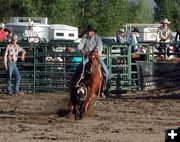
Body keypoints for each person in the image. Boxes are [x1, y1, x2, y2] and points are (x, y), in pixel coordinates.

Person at [73, 25, 109, 97]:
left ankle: (102, 87)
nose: (89, 32)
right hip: (88, 57)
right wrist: (84, 51)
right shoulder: (85, 39)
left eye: (90, 31)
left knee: (106, 72)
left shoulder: (97, 39)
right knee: (80, 66)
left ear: (93, 32)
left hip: (97, 57)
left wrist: (95, 52)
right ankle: (74, 83)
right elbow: (79, 47)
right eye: (88, 31)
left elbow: (100, 48)